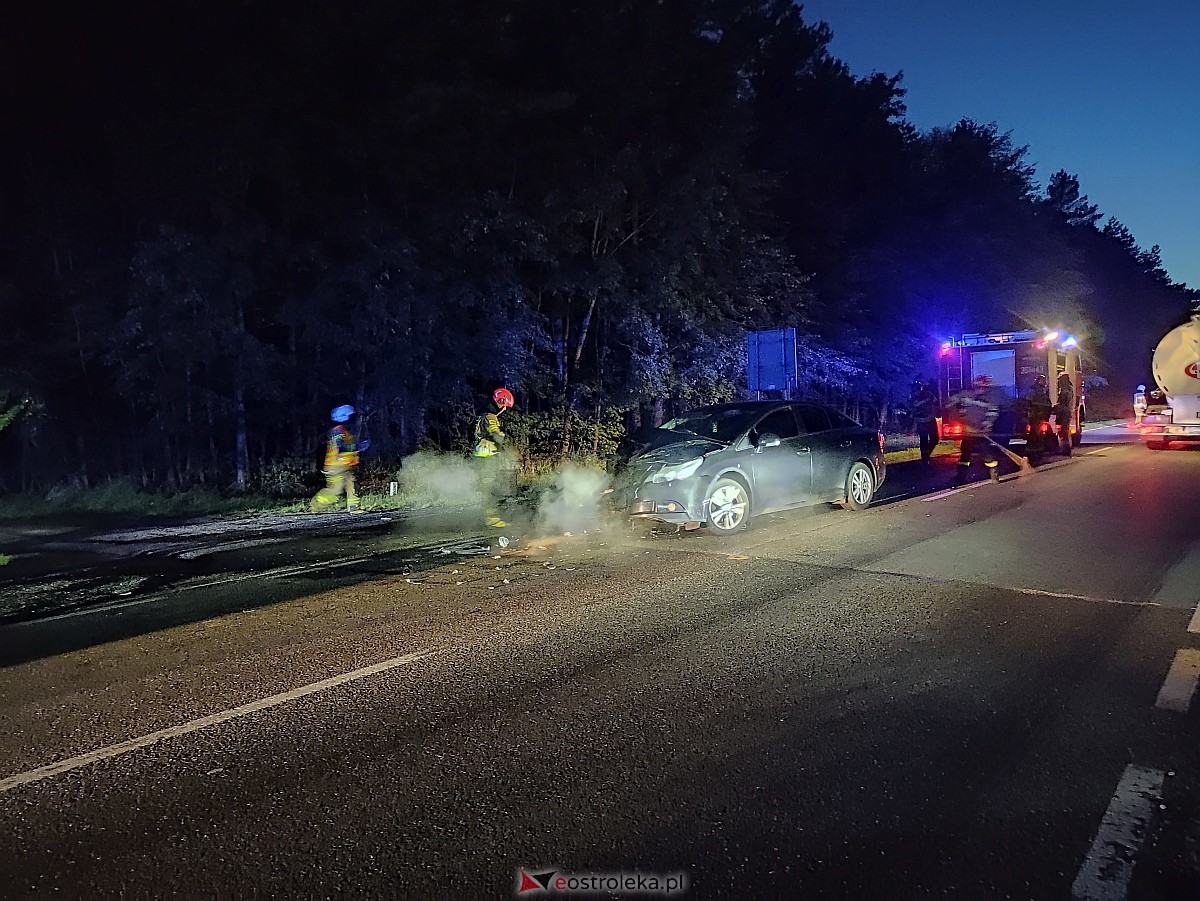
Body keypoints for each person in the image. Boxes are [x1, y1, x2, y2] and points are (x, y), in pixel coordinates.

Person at [310, 404, 368, 513]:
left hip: (344, 464)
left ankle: (353, 507)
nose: (354, 418)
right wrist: (358, 446)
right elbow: (340, 446)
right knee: (336, 489)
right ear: (345, 417)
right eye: (352, 416)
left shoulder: (345, 431)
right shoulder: (338, 431)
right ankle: (316, 504)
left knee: (351, 484)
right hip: (336, 466)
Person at [472, 387, 515, 527]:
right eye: (505, 407)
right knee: (489, 489)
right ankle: (492, 520)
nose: (504, 410)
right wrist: (505, 442)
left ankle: (488, 518)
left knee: (487, 489)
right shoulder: (491, 417)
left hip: (481, 457)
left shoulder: (481, 415)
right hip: (487, 458)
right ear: (500, 402)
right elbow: (496, 435)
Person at [949, 376, 1001, 482]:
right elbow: (952, 401)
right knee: (965, 455)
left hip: (981, 433)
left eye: (983, 387)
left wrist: (987, 424)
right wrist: (954, 403)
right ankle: (960, 476)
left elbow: (993, 414)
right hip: (968, 432)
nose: (980, 389)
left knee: (987, 454)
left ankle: (994, 472)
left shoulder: (990, 400)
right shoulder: (966, 395)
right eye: (978, 386)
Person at [1021, 373, 1053, 454]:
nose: (1044, 382)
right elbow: (1028, 403)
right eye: (1043, 381)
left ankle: (1040, 449)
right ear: (1038, 381)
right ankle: (1032, 450)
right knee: (1034, 433)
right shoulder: (1033, 391)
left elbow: (1046, 403)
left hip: (1041, 416)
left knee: (1040, 433)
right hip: (1035, 416)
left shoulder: (1043, 392)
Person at [909, 379, 939, 464]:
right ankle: (925, 458)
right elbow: (911, 409)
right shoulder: (912, 398)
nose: (917, 391)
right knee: (924, 440)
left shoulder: (928, 394)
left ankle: (926, 454)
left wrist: (936, 412)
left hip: (930, 419)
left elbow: (935, 402)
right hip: (921, 422)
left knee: (935, 439)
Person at [1053, 372, 1075, 454]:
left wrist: (1055, 407)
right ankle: (1065, 447)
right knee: (1064, 430)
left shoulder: (1065, 390)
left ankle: (1065, 449)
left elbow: (1063, 402)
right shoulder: (1069, 388)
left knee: (1063, 431)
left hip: (1064, 413)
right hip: (1066, 412)